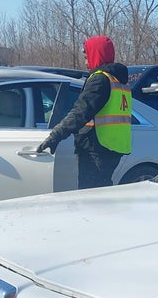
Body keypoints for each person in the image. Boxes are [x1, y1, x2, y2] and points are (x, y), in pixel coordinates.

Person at [36, 35, 132, 188]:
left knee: (92, 196)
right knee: (102, 191)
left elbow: (81, 112)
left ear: (97, 54)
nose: (86, 62)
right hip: (113, 147)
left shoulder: (100, 79)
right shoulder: (119, 81)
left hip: (97, 148)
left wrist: (55, 136)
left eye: (88, 57)